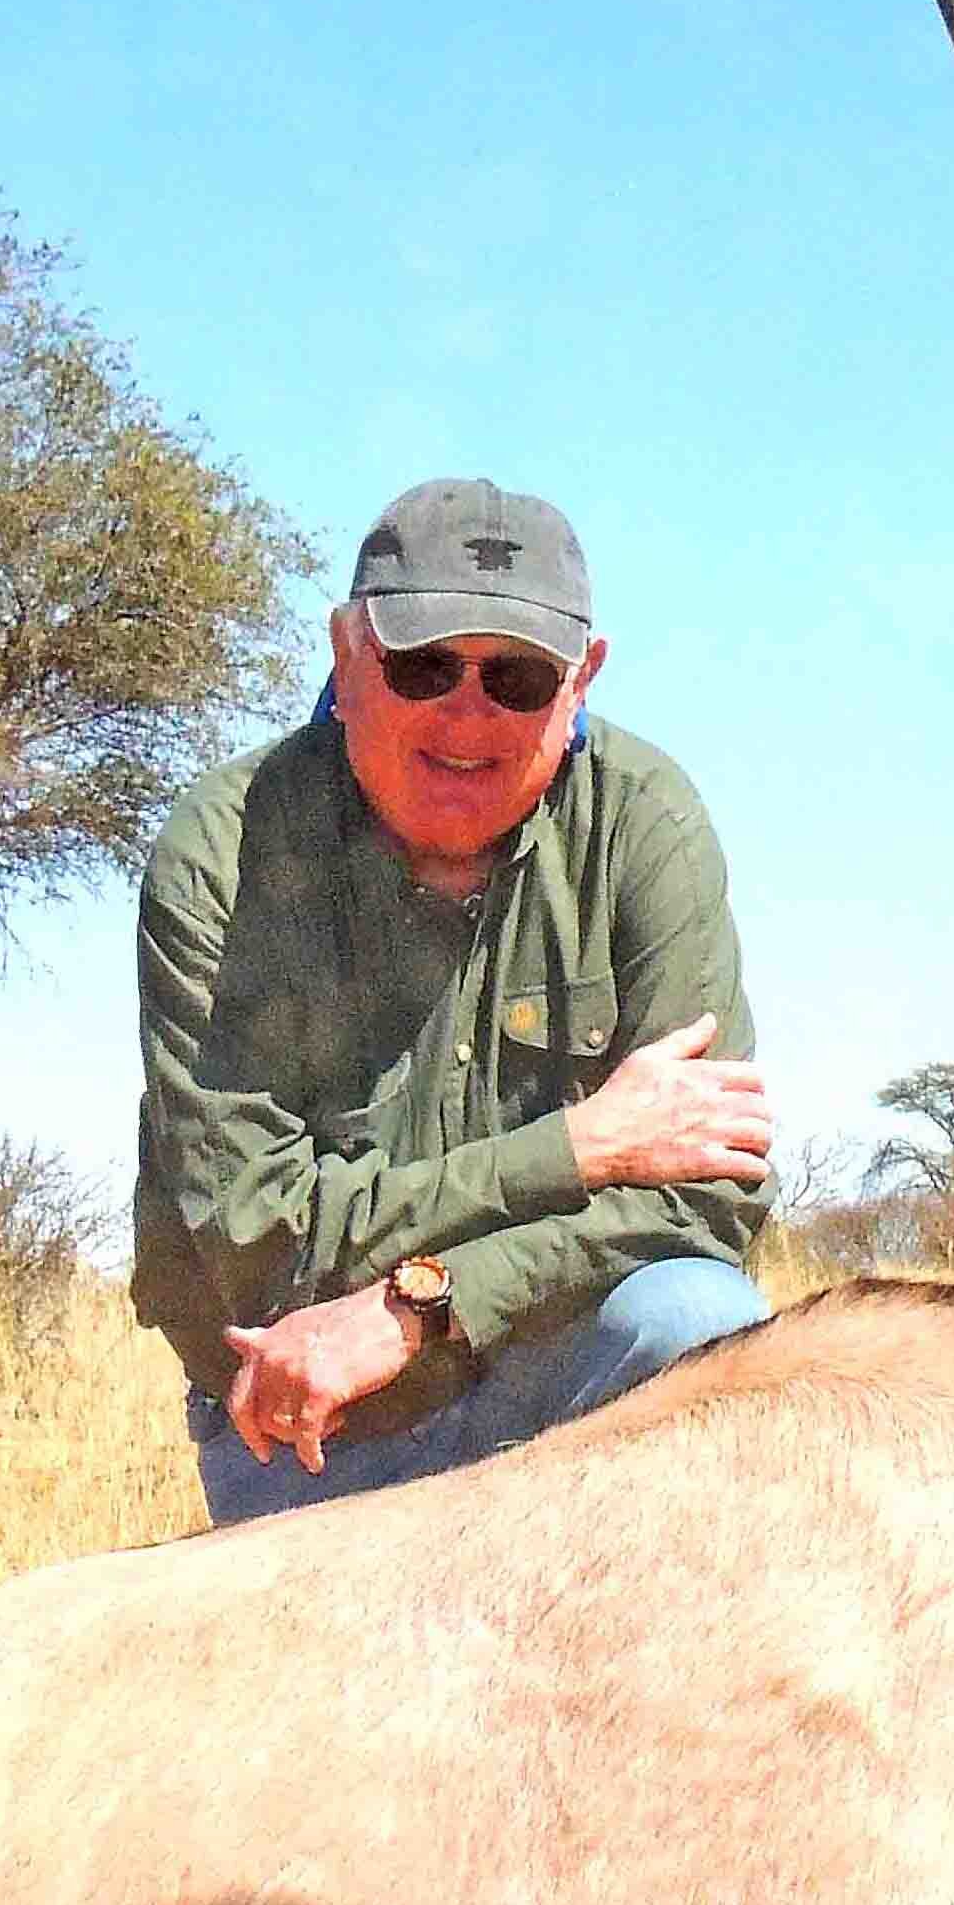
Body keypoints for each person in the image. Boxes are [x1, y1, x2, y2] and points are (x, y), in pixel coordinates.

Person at [132, 478, 775, 1525]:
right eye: (422, 664)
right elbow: (262, 1239)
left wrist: (414, 1309)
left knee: (697, 1319)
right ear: (347, 655)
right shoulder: (220, 849)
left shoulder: (645, 823)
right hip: (305, 1419)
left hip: (560, 1393)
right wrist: (578, 1149)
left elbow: (703, 1201)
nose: (466, 712)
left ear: (582, 681)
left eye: (517, 677)